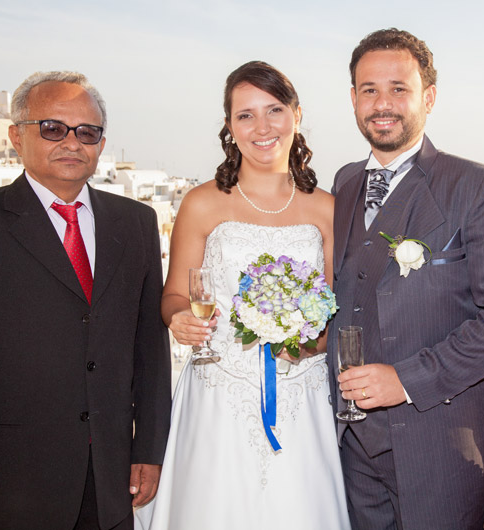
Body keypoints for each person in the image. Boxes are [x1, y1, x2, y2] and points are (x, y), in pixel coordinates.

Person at [0, 71, 171, 530]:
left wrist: (148, 450)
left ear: (101, 144)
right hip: (6, 486)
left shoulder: (136, 223)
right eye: (52, 128)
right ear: (15, 136)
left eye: (87, 132)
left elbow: (149, 349)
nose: (72, 142)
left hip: (111, 481)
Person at [134, 61, 349, 530]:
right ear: (229, 127)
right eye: (245, 115)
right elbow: (174, 295)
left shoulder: (328, 207)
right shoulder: (202, 202)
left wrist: (310, 343)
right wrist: (179, 320)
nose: (262, 127)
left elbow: (337, 309)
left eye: (274, 110)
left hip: (301, 394)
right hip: (218, 393)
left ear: (296, 115)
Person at [330, 28, 484, 529]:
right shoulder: (343, 182)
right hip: (349, 449)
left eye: (399, 88)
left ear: (429, 97)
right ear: (353, 99)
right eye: (369, 89)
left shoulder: (479, 186)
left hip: (439, 449)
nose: (383, 103)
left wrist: (407, 379)